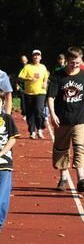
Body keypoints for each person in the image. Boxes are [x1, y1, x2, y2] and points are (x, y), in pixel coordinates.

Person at [47, 47, 84, 192]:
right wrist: (53, 114)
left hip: (79, 118)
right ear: (67, 61)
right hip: (62, 119)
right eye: (73, 62)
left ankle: (81, 179)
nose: (75, 65)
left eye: (78, 62)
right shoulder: (58, 76)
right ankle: (63, 178)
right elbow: (51, 97)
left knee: (79, 147)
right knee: (62, 150)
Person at [18, 49, 49, 139]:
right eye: (34, 55)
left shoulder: (43, 67)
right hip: (29, 93)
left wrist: (45, 83)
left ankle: (39, 128)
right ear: (32, 57)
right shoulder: (28, 67)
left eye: (38, 55)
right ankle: (32, 131)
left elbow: (46, 77)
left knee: (39, 111)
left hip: (41, 92)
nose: (36, 57)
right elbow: (20, 77)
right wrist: (28, 79)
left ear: (40, 57)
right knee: (30, 113)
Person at [0, 91, 20, 232]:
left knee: (1, 198)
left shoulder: (7, 119)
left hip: (4, 163)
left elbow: (12, 139)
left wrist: (1, 152)